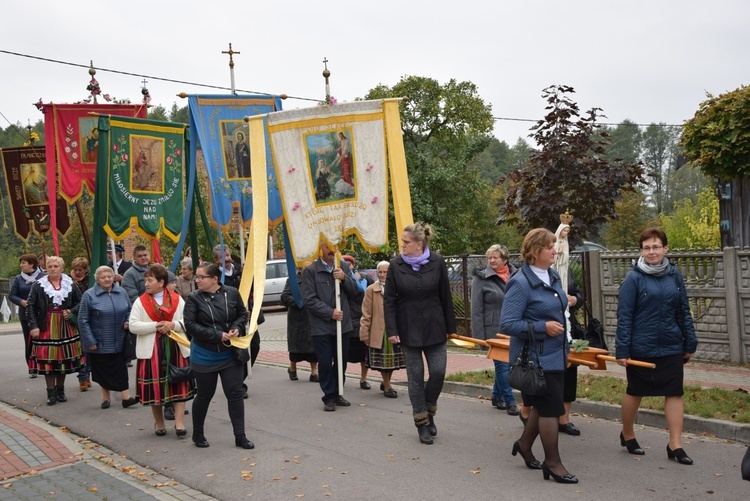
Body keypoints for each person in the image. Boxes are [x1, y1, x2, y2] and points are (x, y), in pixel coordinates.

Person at [500, 228, 577, 484]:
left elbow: (554, 308)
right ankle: (553, 463)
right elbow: (508, 324)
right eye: (549, 247)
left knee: (543, 405)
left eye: (554, 245)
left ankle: (524, 445)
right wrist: (542, 328)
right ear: (535, 252)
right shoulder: (520, 282)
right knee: (551, 409)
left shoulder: (552, 275)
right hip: (537, 359)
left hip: (556, 354)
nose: (555, 250)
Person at [615, 227, 698, 465]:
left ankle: (675, 444)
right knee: (636, 390)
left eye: (656, 247)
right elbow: (625, 315)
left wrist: (689, 342)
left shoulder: (674, 275)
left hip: (671, 344)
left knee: (674, 391)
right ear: (641, 251)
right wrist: (622, 349)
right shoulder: (633, 278)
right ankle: (628, 434)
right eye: (647, 248)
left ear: (665, 249)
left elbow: (683, 310)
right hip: (641, 346)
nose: (652, 252)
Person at [384, 223, 456, 445]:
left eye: (406, 243)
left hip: (435, 327)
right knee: (415, 378)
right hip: (408, 330)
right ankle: (422, 422)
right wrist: (392, 330)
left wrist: (451, 328)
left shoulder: (437, 262)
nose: (402, 246)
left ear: (419, 244)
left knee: (438, 372)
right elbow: (389, 301)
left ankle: (429, 410)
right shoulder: (396, 266)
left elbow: (445, 295)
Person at [184, 263, 254, 449]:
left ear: (214, 279)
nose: (197, 280)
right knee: (205, 395)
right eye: (196, 277)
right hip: (204, 355)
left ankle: (240, 436)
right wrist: (217, 335)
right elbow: (190, 325)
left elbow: (242, 314)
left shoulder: (231, 293)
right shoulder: (193, 298)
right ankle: (198, 433)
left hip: (230, 354)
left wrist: (236, 327)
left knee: (235, 394)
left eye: (201, 277)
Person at [129, 265, 194, 437]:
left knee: (179, 383)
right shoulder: (140, 302)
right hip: (152, 350)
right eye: (145, 280)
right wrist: (156, 326)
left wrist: (173, 325)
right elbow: (133, 325)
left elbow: (188, 321)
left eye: (150, 280)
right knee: (155, 387)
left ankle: (179, 423)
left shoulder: (177, 299)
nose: (146, 284)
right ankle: (159, 423)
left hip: (175, 347)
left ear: (161, 282)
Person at [302, 241, 359, 411]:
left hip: (343, 325)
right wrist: (330, 312)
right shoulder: (311, 271)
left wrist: (344, 278)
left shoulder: (342, 266)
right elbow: (309, 300)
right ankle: (329, 396)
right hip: (322, 327)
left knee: (341, 361)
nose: (332, 250)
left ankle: (338, 391)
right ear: (320, 248)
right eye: (328, 246)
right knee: (326, 362)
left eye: (334, 247)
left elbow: (355, 291)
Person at [77, 266, 139, 409]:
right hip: (99, 340)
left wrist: (128, 321)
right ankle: (106, 397)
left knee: (121, 368)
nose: (106, 279)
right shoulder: (89, 295)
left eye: (109, 276)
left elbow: (130, 311)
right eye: (103, 277)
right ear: (97, 280)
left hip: (120, 339)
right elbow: (83, 320)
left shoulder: (121, 292)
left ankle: (126, 397)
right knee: (103, 370)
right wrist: (89, 340)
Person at [26, 256, 84, 406]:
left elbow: (81, 301)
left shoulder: (70, 283)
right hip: (46, 325)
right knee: (48, 360)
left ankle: (60, 390)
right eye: (50, 266)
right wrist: (34, 326)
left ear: (62, 268)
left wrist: (71, 310)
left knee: (62, 359)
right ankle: (51, 392)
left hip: (65, 325)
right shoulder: (39, 285)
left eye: (55, 266)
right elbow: (31, 306)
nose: (52, 269)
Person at [470, 244, 519, 416]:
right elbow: (476, 309)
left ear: (505, 259)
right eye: (489, 257)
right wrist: (479, 337)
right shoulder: (481, 278)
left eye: (495, 257)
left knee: (509, 364)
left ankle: (496, 395)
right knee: (503, 366)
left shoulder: (517, 275)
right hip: (493, 330)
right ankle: (510, 400)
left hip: (514, 328)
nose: (491, 260)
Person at [360, 261, 405, 398]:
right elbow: (366, 313)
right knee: (383, 362)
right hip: (378, 331)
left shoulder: (397, 288)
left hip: (394, 330)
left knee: (391, 362)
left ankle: (386, 382)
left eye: (385, 272)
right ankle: (388, 387)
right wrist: (364, 333)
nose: (382, 274)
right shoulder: (371, 290)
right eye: (380, 272)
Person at [281, 264, 319, 382]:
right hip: (296, 319)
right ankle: (292, 368)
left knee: (313, 346)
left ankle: (314, 372)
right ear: (300, 269)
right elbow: (284, 297)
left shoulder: (315, 279)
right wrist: (299, 302)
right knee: (295, 346)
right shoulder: (292, 280)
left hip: (311, 317)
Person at [10, 254, 46, 377]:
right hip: (26, 315)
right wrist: (22, 302)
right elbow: (12, 295)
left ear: (31, 264)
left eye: (23, 263)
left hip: (42, 314)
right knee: (29, 341)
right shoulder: (18, 279)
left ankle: (45, 364)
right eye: (21, 263)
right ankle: (32, 367)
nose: (21, 265)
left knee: (44, 340)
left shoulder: (43, 277)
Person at [343, 255, 374, 390]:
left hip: (362, 318)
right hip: (347, 319)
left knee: (363, 353)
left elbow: (374, 292)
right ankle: (340, 377)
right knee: (344, 352)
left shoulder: (364, 277)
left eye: (350, 264)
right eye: (345, 264)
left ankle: (363, 378)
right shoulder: (340, 280)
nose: (348, 267)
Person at [70, 256, 92, 391]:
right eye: (75, 269)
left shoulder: (90, 280)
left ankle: (86, 374)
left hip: (89, 317)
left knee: (88, 348)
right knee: (79, 349)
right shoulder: (69, 281)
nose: (77, 272)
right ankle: (82, 376)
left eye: (80, 270)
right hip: (75, 316)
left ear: (85, 270)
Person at [553, 223, 571, 293]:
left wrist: (562, 253)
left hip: (561, 265)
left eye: (567, 231)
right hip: (553, 264)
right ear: (560, 230)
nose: (565, 233)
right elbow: (551, 251)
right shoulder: (554, 241)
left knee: (562, 281)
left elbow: (566, 254)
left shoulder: (565, 242)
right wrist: (558, 252)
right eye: (564, 231)